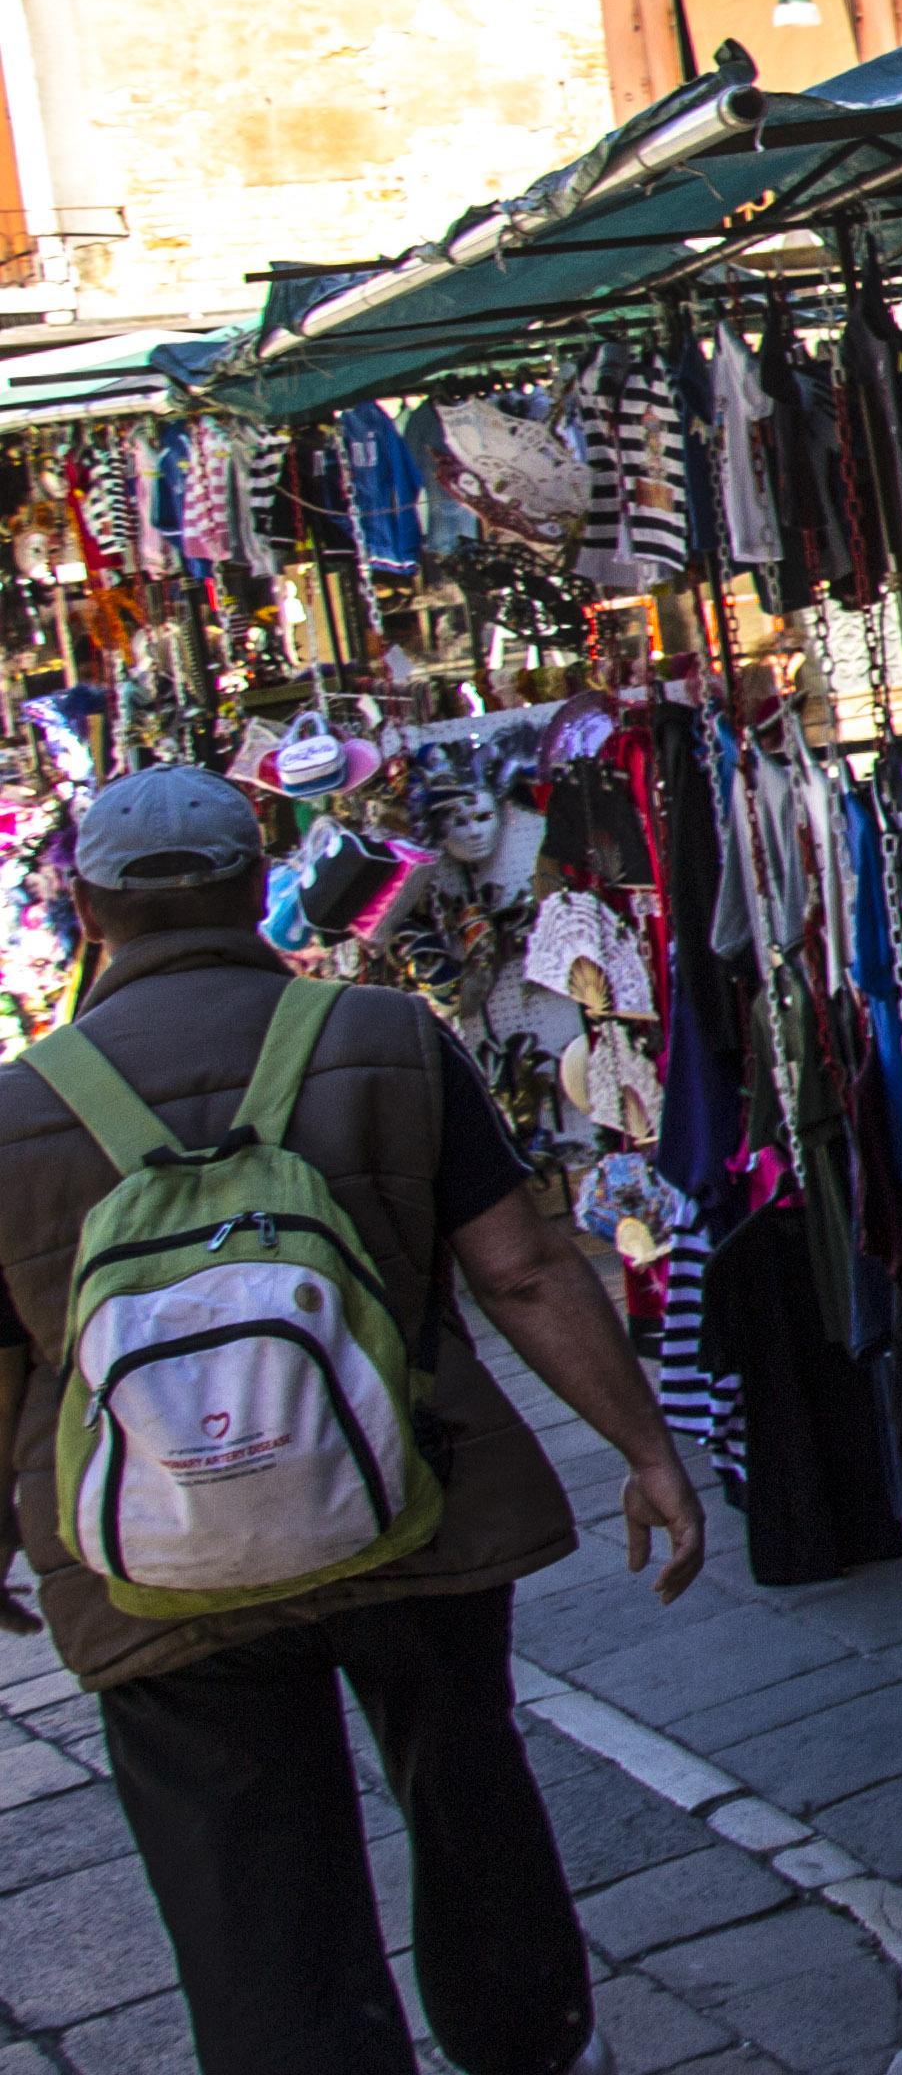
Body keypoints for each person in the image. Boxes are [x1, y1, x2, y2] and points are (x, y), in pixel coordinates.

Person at [0, 765, 709, 2075]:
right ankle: (531, 2044)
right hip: (409, 1504)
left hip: (159, 1574)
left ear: (87, 909)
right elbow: (526, 1269)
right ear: (249, 884)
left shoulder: (15, 1116)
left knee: (243, 1878)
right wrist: (647, 1450)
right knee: (467, 1792)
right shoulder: (382, 1041)